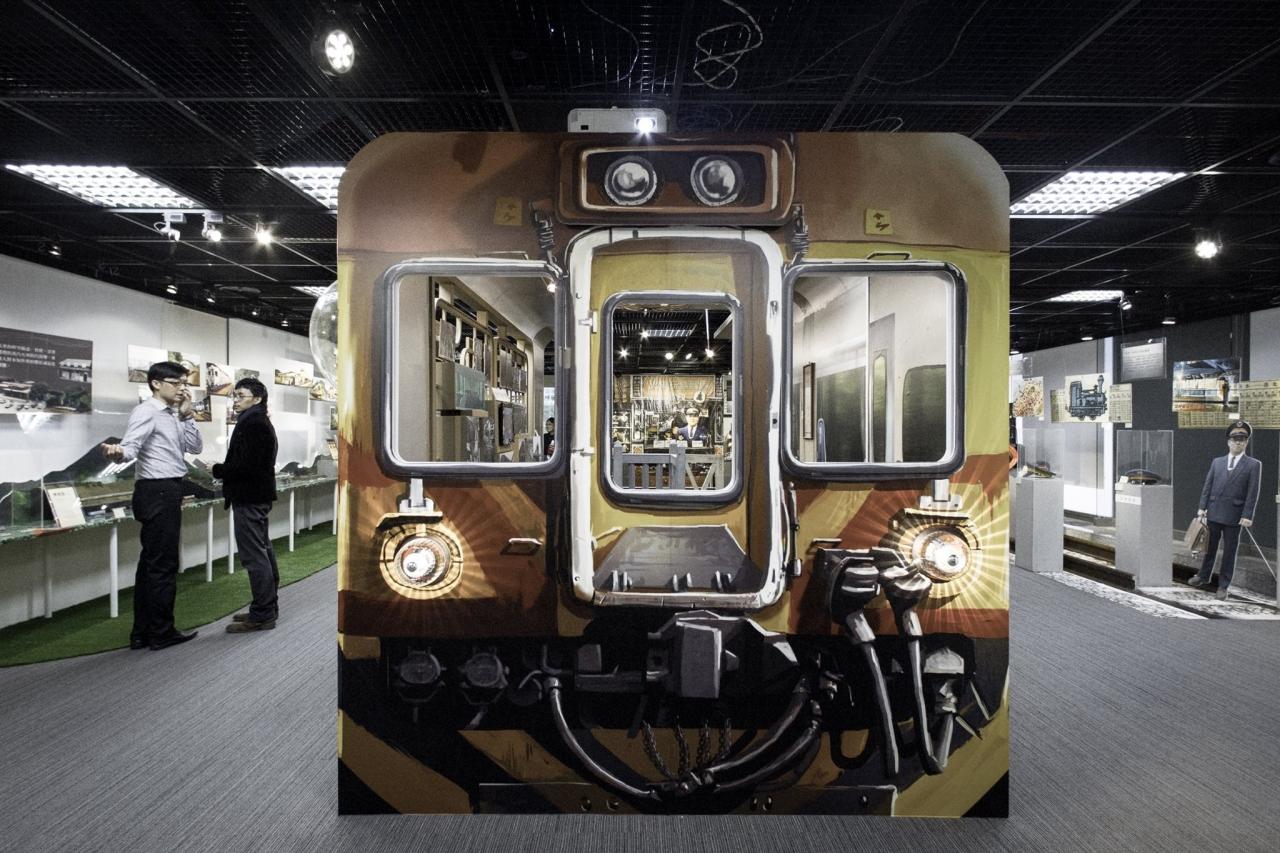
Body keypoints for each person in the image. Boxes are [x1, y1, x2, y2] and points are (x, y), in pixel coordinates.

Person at [101, 361, 202, 651]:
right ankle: (161, 632)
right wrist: (117, 453)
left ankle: (142, 632)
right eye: (176, 383)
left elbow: (195, 447)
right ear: (156, 384)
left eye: (184, 383)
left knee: (151, 564)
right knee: (163, 564)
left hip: (166, 488)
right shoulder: (147, 411)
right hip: (157, 490)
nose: (182, 388)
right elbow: (130, 448)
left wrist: (187, 415)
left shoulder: (173, 413)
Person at [213, 378, 280, 632]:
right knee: (262, 551)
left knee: (254, 556)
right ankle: (266, 607)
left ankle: (262, 614)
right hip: (255, 496)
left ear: (257, 398)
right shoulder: (255, 421)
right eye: (235, 396)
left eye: (241, 395)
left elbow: (249, 466)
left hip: (250, 497)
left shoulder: (254, 424)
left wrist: (218, 469)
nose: (236, 400)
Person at [1188, 420, 1262, 600]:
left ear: (1246, 442)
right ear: (1228, 442)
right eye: (1235, 439)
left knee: (1230, 552)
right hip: (1214, 511)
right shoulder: (1217, 462)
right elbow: (1208, 486)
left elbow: (1253, 492)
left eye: (1242, 440)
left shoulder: (1253, 465)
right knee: (1209, 547)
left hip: (1234, 515)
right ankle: (1203, 576)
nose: (1238, 443)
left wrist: (1247, 515)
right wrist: (1202, 507)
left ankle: (1223, 585)